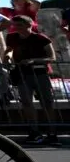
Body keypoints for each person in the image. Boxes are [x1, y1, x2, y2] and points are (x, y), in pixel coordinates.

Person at [5, 15, 58, 145]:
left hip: (40, 73)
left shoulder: (41, 38)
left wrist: (34, 60)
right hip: (22, 74)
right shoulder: (12, 37)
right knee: (27, 103)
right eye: (15, 25)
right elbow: (9, 51)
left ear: (29, 25)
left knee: (47, 103)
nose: (16, 28)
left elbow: (52, 58)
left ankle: (52, 132)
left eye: (20, 25)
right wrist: (6, 57)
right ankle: (34, 132)